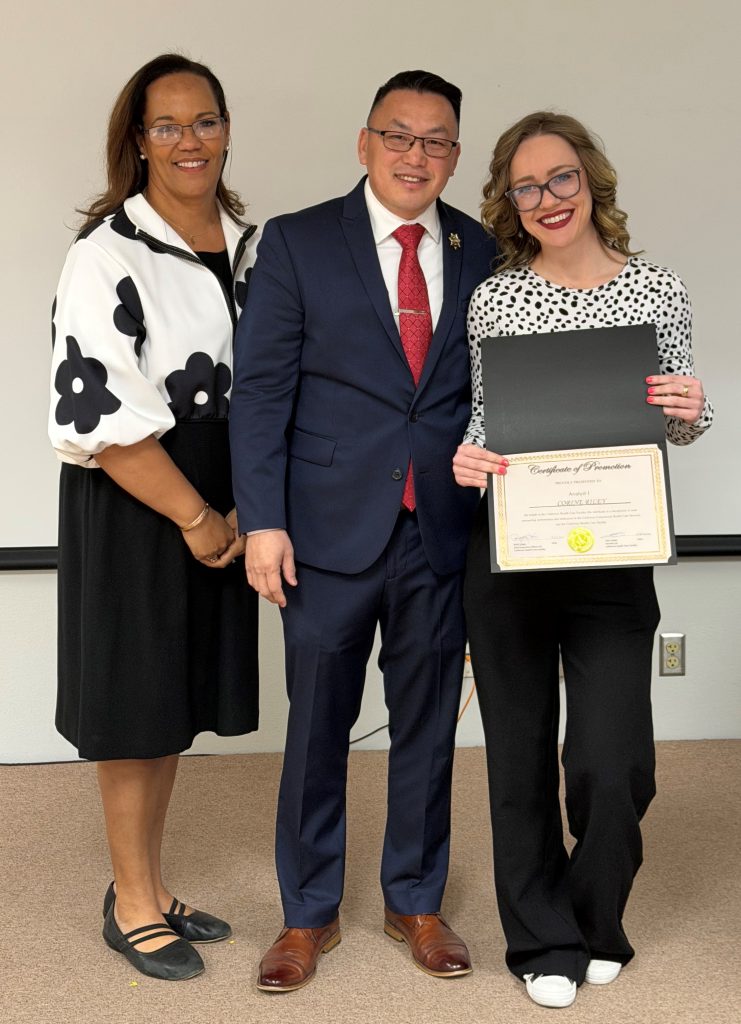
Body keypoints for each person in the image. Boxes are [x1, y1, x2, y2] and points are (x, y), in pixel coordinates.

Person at [229, 70, 498, 992]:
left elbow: (488, 395)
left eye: (435, 142)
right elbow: (260, 394)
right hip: (322, 532)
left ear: (454, 156)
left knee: (425, 726)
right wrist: (261, 521)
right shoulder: (299, 242)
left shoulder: (480, 248)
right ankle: (306, 916)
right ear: (364, 142)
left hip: (442, 531)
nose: (415, 155)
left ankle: (414, 900)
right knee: (316, 731)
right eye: (399, 135)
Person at [453, 112, 713, 1008]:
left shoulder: (656, 290)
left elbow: (673, 423)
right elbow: (487, 424)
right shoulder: (495, 299)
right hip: (511, 554)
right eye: (525, 187)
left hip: (612, 558)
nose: (545, 200)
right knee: (516, 759)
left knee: (612, 761)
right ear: (509, 202)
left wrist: (690, 406)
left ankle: (597, 919)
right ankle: (541, 943)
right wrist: (467, 456)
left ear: (589, 180)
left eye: (559, 179)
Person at [48, 54, 259, 982]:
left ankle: (151, 884)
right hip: (144, 498)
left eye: (203, 121)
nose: (188, 141)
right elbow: (96, 412)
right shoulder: (105, 254)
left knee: (170, 700)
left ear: (225, 130)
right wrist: (197, 517)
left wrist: (251, 497)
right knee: (134, 706)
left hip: (222, 490)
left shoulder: (248, 243)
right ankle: (130, 902)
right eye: (166, 125)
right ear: (137, 141)